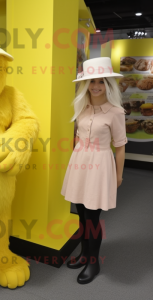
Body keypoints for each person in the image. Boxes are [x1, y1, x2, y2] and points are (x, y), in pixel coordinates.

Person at [61, 57, 128, 284]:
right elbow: (78, 137)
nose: (96, 86)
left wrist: (118, 176)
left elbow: (120, 147)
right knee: (80, 214)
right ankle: (83, 254)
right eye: (91, 82)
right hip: (80, 163)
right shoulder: (82, 107)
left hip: (100, 165)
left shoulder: (116, 112)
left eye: (101, 81)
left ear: (108, 84)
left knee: (92, 217)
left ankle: (93, 261)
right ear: (85, 84)